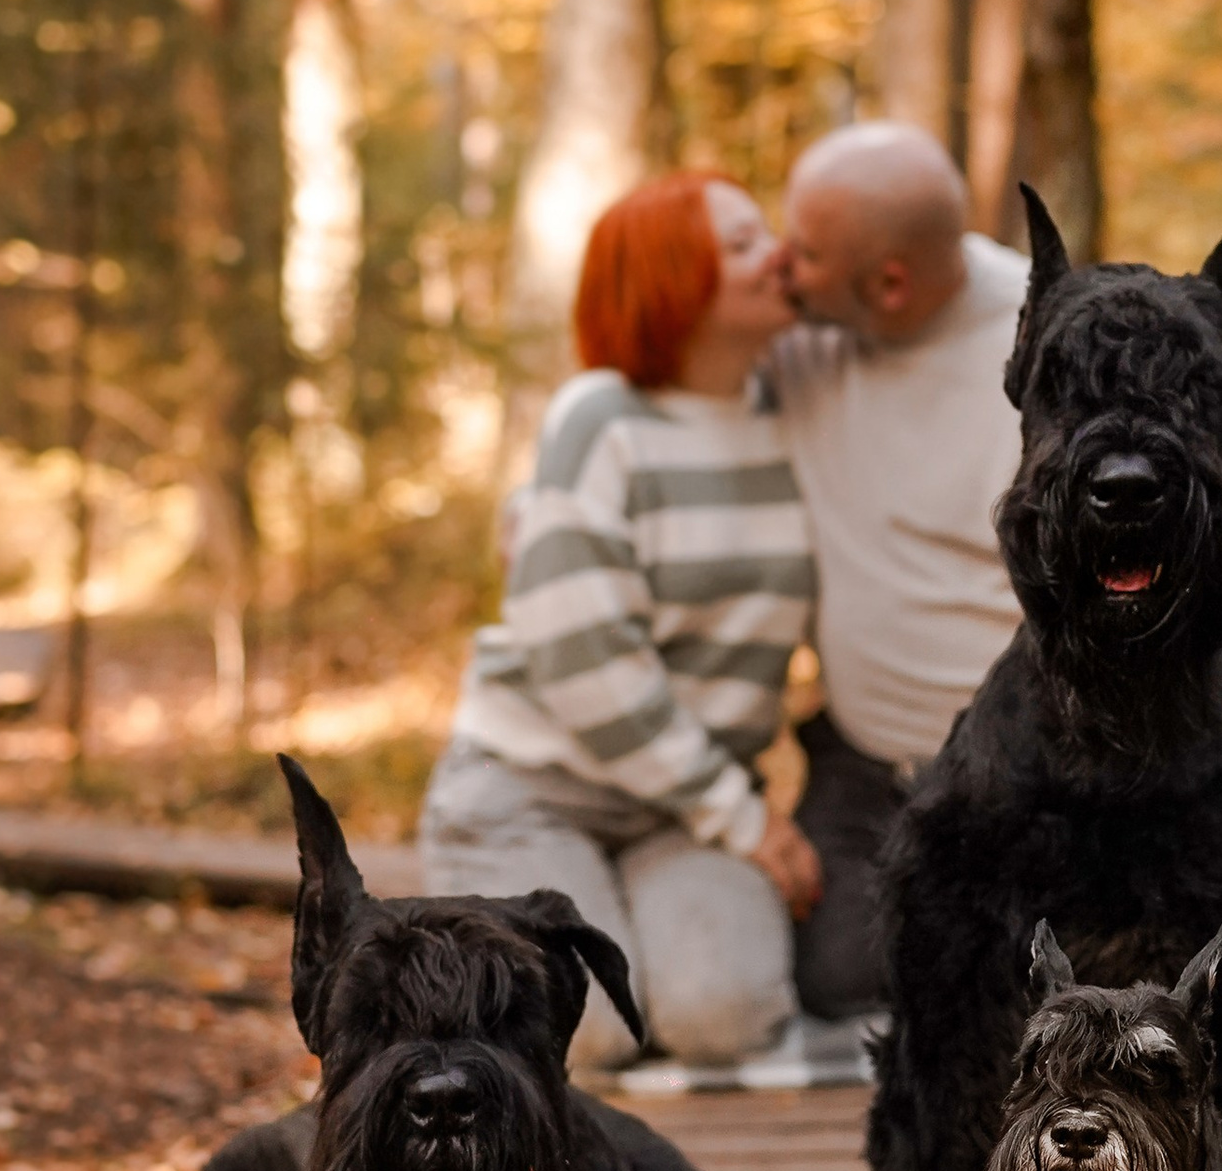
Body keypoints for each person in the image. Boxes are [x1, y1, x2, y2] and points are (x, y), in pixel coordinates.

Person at [412, 172, 823, 1079]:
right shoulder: (600, 419)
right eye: (747, 243)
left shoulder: (796, 410)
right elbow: (583, 654)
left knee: (722, 1017)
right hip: (532, 789)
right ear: (676, 280)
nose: (781, 255)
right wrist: (745, 819)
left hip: (681, 812)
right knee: (582, 1033)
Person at [766, 122, 1027, 1039]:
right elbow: (662, 371)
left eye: (803, 251)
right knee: (844, 975)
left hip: (1019, 776)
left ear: (889, 283)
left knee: (1033, 975)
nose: (779, 265)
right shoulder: (801, 333)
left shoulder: (1042, 342)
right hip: (864, 766)